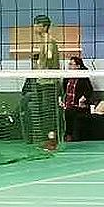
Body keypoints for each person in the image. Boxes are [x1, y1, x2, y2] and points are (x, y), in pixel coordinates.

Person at [25, 14, 62, 148]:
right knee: (42, 112)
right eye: (34, 24)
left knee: (49, 112)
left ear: (45, 27)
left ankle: (52, 140)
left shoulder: (48, 41)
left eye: (37, 24)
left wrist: (43, 60)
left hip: (49, 82)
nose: (35, 27)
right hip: (42, 81)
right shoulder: (42, 41)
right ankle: (48, 138)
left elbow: (49, 57)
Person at [61, 56, 95, 143]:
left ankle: (72, 136)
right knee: (67, 113)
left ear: (78, 66)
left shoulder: (83, 78)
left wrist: (83, 98)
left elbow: (89, 91)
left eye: (71, 64)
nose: (69, 66)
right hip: (68, 105)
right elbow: (64, 91)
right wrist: (61, 100)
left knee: (71, 114)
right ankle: (67, 136)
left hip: (79, 106)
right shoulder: (66, 78)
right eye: (69, 64)